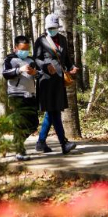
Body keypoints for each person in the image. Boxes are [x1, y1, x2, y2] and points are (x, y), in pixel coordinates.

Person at [33, 13, 79, 155]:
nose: (52, 30)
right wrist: (46, 66)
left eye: (55, 27)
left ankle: (41, 142)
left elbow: (66, 58)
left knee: (52, 112)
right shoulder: (41, 41)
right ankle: (63, 143)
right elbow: (36, 59)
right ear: (46, 27)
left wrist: (71, 67)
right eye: (50, 27)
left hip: (59, 82)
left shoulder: (63, 40)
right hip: (46, 81)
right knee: (54, 112)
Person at [2, 35, 41, 161]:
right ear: (16, 48)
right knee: (19, 124)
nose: (25, 51)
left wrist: (35, 73)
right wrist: (19, 70)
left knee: (33, 124)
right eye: (23, 48)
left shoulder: (31, 60)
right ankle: (19, 150)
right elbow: (5, 74)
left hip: (31, 95)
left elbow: (39, 75)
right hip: (16, 95)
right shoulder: (10, 60)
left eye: (27, 48)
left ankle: (16, 142)